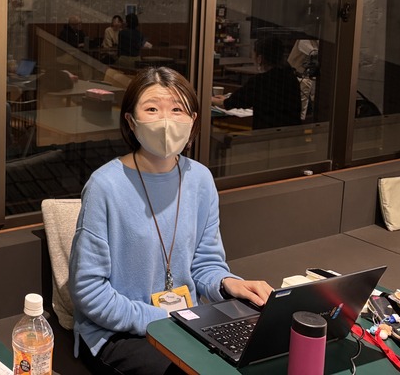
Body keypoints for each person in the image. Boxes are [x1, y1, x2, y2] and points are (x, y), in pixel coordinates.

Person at [69, 67, 272, 375]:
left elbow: (205, 264)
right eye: (152, 109)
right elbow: (89, 292)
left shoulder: (200, 179)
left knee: (259, 355)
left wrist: (230, 284)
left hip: (185, 323)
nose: (166, 120)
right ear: (131, 121)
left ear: (193, 120)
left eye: (177, 110)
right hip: (117, 332)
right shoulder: (104, 186)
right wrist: (163, 320)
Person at [212, 36, 302, 129]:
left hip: (265, 134)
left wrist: (211, 99)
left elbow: (228, 103)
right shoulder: (290, 77)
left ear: (260, 58)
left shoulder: (260, 81)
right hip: (291, 133)